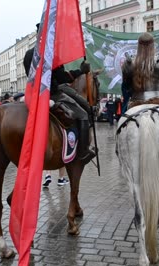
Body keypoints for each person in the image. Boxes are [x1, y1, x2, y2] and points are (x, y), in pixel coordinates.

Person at [24, 23, 95, 164]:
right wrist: (81, 70)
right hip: (51, 94)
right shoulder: (52, 54)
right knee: (83, 114)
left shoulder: (28, 54)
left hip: (33, 95)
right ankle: (83, 152)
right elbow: (63, 78)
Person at [120, 32, 159, 123]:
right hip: (158, 98)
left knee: (122, 122)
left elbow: (125, 90)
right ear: (152, 44)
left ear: (138, 45)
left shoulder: (129, 64)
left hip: (136, 99)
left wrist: (125, 106)